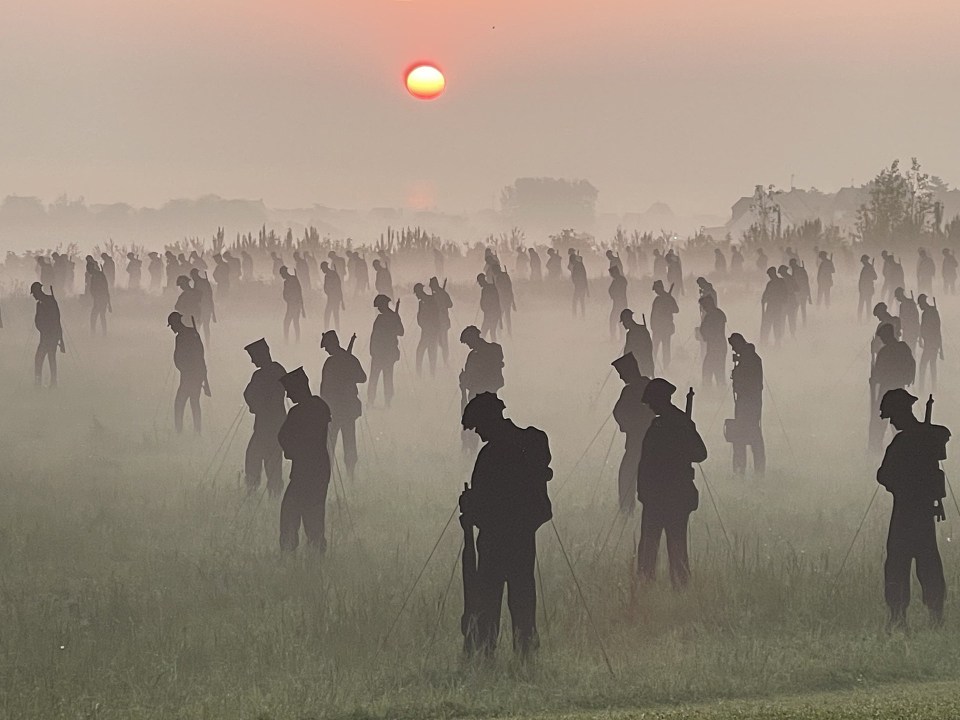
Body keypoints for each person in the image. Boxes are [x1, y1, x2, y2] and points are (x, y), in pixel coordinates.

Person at [458, 393, 553, 658]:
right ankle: (526, 655)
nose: (478, 433)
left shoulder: (492, 453)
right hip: (523, 537)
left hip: (495, 539)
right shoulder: (530, 442)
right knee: (523, 597)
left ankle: (484, 654)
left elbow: (487, 500)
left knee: (487, 601)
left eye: (478, 426)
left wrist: (469, 506)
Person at [876, 389, 948, 629]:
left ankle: (898, 617)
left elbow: (884, 475)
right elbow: (942, 438)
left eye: (892, 416)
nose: (892, 422)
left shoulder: (903, 442)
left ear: (901, 412)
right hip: (924, 512)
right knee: (928, 561)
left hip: (905, 512)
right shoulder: (928, 437)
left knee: (897, 562)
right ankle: (935, 615)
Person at [636, 378, 707, 589]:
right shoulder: (669, 423)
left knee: (669, 545)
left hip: (668, 494)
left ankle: (671, 586)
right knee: (654, 545)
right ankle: (651, 585)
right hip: (663, 494)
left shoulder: (676, 424)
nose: (649, 406)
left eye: (652, 401)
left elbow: (700, 454)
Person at [277, 367, 332, 552]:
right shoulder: (321, 406)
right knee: (314, 513)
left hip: (304, 471)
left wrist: (291, 451)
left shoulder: (298, 412)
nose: (288, 395)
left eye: (290, 391)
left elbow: (283, 436)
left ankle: (290, 552)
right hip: (319, 469)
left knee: (291, 512)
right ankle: (315, 554)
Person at [243, 339, 287, 497]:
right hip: (274, 425)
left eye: (253, 356)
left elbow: (249, 394)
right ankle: (269, 494)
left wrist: (256, 406)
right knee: (268, 461)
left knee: (259, 459)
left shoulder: (264, 374)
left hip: (268, 427)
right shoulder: (277, 370)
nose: (252, 360)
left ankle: (257, 492)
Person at [319, 330, 367, 479]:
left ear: (333, 344)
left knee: (334, 445)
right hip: (344, 410)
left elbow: (362, 378)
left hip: (337, 410)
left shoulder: (332, 362)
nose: (326, 350)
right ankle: (346, 476)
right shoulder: (348, 359)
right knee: (346, 443)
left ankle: (344, 476)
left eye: (327, 346)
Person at [612, 353, 653, 514]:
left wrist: (627, 426)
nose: (621, 377)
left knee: (627, 475)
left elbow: (618, 411)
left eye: (622, 373)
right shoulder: (649, 385)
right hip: (650, 442)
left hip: (636, 442)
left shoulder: (630, 390)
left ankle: (627, 510)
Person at [869, 323, 916, 452]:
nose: (882, 340)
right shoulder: (904, 348)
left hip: (886, 391)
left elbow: (878, 375)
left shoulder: (885, 352)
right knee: (900, 420)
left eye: (883, 337)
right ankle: (902, 447)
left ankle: (876, 447)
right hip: (900, 390)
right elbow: (912, 367)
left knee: (881, 421)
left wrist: (873, 380)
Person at [459, 326, 505, 453]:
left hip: (482, 397)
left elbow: (486, 376)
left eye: (468, 342)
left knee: (479, 427)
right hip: (483, 396)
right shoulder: (493, 350)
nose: (468, 346)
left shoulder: (485, 352)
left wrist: (465, 381)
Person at [728, 334, 765, 476]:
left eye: (734, 346)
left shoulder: (750, 360)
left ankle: (747, 469)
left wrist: (737, 372)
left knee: (749, 435)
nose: (733, 350)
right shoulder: (750, 358)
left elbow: (747, 382)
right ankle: (749, 469)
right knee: (745, 434)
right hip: (748, 403)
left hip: (749, 403)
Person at [168, 312, 210, 434]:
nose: (171, 328)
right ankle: (197, 431)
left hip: (189, 376)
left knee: (179, 404)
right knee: (194, 403)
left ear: (176, 323)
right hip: (195, 375)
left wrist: (183, 368)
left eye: (172, 325)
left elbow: (195, 356)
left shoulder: (182, 337)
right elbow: (201, 356)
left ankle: (179, 432)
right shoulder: (192, 333)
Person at [368, 295, 404, 407]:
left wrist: (393, 328)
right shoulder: (388, 317)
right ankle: (372, 401)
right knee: (378, 378)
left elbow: (401, 332)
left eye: (379, 306)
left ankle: (386, 402)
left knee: (384, 379)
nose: (378, 309)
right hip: (380, 353)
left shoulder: (391, 317)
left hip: (385, 353)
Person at [32, 282, 64, 387]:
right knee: (49, 358)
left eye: (34, 293)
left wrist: (60, 339)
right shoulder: (45, 302)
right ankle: (49, 382)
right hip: (49, 336)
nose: (34, 296)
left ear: (38, 291)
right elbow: (39, 321)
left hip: (49, 336)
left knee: (41, 358)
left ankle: (44, 383)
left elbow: (56, 320)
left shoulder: (47, 302)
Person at [698, 295, 727, 387]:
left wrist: (704, 334)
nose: (703, 309)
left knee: (716, 370)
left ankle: (714, 390)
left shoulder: (715, 315)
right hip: (713, 347)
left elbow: (713, 331)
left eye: (704, 306)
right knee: (711, 370)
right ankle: (712, 390)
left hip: (717, 347)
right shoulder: (714, 314)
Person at [650, 280, 679, 369]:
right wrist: (653, 326)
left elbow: (676, 310)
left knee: (665, 349)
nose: (655, 291)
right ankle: (651, 366)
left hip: (665, 328)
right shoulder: (658, 300)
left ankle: (666, 367)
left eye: (656, 289)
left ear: (660, 288)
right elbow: (653, 314)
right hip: (657, 328)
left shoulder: (669, 299)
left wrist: (668, 308)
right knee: (654, 350)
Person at [414, 282, 440, 377]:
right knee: (422, 352)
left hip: (431, 332)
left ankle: (430, 375)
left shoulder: (430, 300)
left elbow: (435, 316)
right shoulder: (423, 302)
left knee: (430, 353)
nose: (416, 295)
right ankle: (419, 374)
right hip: (426, 331)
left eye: (417, 293)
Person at [917, 294, 942, 391]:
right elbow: (923, 327)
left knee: (925, 365)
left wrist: (940, 346)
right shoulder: (928, 312)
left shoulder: (930, 312)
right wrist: (920, 338)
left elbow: (937, 328)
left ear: (923, 302)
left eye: (920, 304)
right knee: (932, 365)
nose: (919, 306)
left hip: (932, 343)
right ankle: (932, 387)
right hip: (931, 343)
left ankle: (923, 388)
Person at [620, 309, 654, 378]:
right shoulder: (642, 329)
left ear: (628, 320)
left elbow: (627, 352)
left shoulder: (631, 334)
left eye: (623, 321)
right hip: (646, 365)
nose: (623, 324)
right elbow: (650, 347)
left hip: (639, 367)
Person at [429, 277, 453, 366]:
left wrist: (442, 306)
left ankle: (446, 361)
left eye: (431, 286)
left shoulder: (441, 294)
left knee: (443, 342)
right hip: (437, 322)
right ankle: (445, 360)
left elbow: (450, 304)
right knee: (441, 342)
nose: (431, 288)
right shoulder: (437, 295)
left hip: (442, 321)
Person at [760, 267, 786, 346]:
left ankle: (777, 342)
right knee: (768, 324)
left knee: (776, 324)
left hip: (777, 306)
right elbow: (766, 294)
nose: (769, 276)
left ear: (773, 273)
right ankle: (765, 341)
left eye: (770, 274)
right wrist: (764, 299)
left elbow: (785, 293)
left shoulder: (780, 282)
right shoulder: (771, 283)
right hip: (771, 306)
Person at [190, 268, 216, 343]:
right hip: (205, 307)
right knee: (204, 327)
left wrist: (213, 313)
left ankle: (202, 343)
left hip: (202, 307)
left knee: (200, 326)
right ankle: (204, 343)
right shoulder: (203, 282)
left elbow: (209, 296)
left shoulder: (199, 283)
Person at [280, 266, 305, 343]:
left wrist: (302, 307)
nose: (281, 276)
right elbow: (286, 294)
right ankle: (293, 340)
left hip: (294, 304)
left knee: (289, 322)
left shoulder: (292, 280)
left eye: (281, 274)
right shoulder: (290, 280)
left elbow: (299, 292)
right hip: (292, 304)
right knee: (294, 322)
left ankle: (289, 340)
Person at [88, 262, 112, 336]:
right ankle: (103, 333)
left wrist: (109, 303)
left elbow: (104, 288)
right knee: (101, 315)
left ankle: (94, 332)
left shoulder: (97, 275)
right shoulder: (98, 275)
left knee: (95, 315)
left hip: (100, 298)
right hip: (101, 298)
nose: (88, 271)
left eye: (88, 269)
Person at [894, 287, 919, 353]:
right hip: (909, 330)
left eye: (897, 296)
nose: (897, 298)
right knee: (910, 349)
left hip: (910, 330)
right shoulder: (909, 303)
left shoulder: (907, 304)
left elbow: (915, 317)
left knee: (910, 349)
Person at [477, 273, 502, 342]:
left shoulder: (486, 289)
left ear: (482, 280)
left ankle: (482, 349)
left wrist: (485, 308)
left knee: (484, 332)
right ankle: (494, 348)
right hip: (493, 313)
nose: (479, 284)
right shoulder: (491, 287)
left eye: (479, 282)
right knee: (491, 332)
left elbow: (492, 301)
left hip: (490, 314)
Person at [321, 261, 344, 331]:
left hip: (334, 298)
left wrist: (341, 299)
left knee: (331, 314)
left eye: (322, 269)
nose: (322, 270)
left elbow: (338, 286)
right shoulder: (330, 274)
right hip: (332, 297)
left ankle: (329, 329)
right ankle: (334, 329)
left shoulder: (331, 274)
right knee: (333, 314)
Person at [494, 268, 517, 337]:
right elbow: (510, 288)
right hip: (508, 299)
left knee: (499, 316)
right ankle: (509, 332)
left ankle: (499, 333)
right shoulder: (506, 276)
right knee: (507, 316)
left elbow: (498, 289)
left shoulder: (498, 278)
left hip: (502, 299)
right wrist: (513, 302)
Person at [788, 258, 811, 326]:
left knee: (797, 308)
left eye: (791, 265)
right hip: (801, 293)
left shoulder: (798, 271)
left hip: (800, 293)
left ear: (793, 264)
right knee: (801, 309)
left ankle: (798, 323)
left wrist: (809, 296)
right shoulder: (799, 270)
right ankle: (800, 323)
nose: (791, 267)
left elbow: (806, 282)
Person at [608, 265, 628, 341]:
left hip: (619, 303)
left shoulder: (619, 280)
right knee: (617, 320)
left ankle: (618, 337)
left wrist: (613, 295)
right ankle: (618, 337)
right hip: (619, 303)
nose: (611, 275)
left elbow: (613, 290)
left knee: (616, 320)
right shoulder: (620, 280)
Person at [858, 255, 878, 322]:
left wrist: (870, 277)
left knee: (867, 305)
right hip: (864, 288)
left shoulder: (869, 268)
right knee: (862, 304)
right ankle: (859, 318)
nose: (862, 262)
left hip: (868, 289)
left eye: (863, 261)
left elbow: (875, 277)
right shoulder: (867, 267)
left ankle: (868, 319)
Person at [570, 254, 589, 318]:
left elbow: (583, 276)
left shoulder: (578, 265)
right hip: (580, 286)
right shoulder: (578, 265)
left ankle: (576, 316)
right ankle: (581, 315)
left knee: (576, 301)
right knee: (580, 301)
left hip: (580, 286)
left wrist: (587, 288)